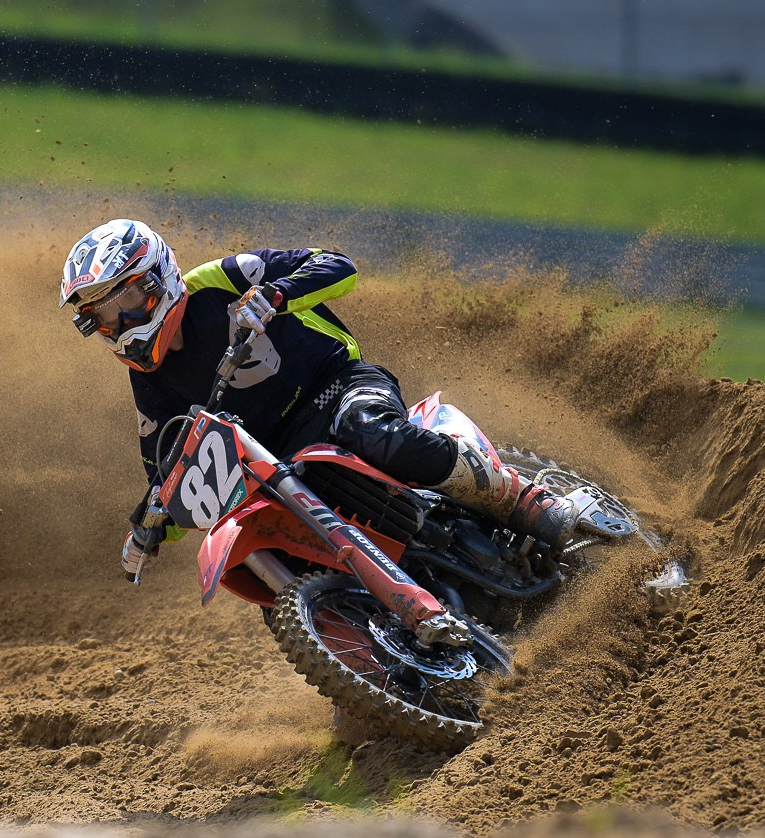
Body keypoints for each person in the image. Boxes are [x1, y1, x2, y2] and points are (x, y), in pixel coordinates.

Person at [58, 218, 583, 578]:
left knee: (375, 435)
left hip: (338, 389)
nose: (119, 322)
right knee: (270, 542)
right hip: (279, 463)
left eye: (126, 298)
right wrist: (149, 529)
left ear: (157, 277)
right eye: (102, 315)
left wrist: (277, 294)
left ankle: (522, 498)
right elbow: (168, 477)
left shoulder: (218, 281)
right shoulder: (148, 382)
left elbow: (338, 266)